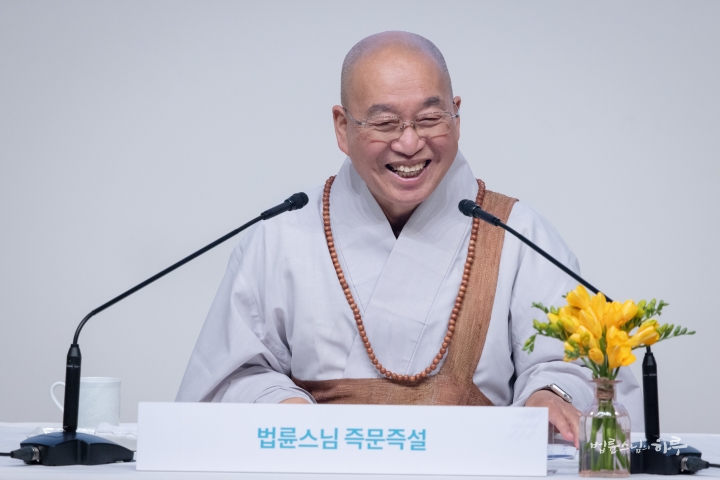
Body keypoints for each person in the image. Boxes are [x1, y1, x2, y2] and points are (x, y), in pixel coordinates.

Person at [177, 31, 643, 447]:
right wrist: (282, 406)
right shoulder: (282, 237)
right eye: (384, 123)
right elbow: (230, 377)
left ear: (456, 116)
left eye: (430, 118)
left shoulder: (517, 233)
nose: (409, 143)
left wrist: (551, 394)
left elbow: (578, 367)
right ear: (343, 127)